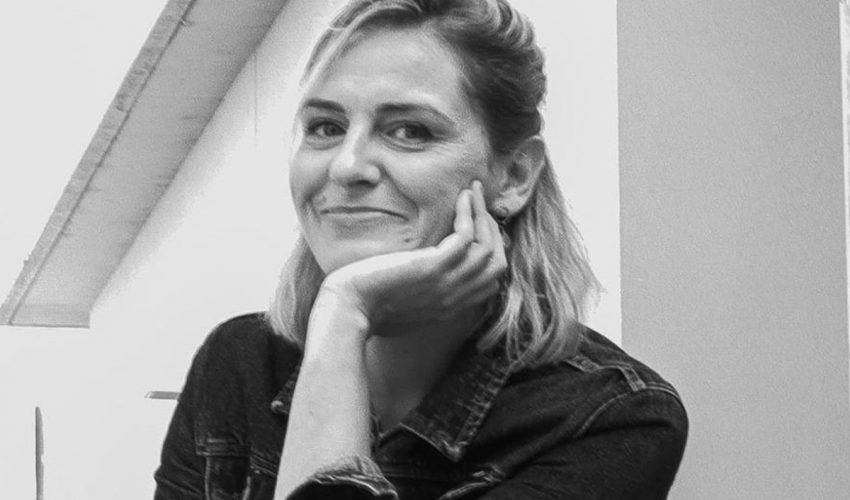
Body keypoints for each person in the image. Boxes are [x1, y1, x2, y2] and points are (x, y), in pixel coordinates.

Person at [154, 0, 688, 498]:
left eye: (410, 131)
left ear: (514, 177)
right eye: (326, 127)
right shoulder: (238, 363)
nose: (347, 166)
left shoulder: (614, 416)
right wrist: (338, 332)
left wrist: (345, 313)